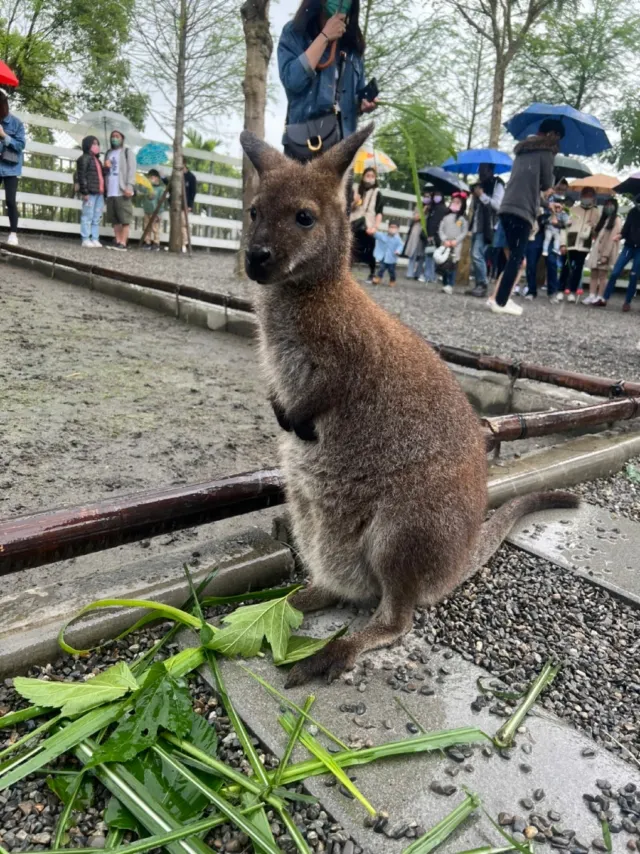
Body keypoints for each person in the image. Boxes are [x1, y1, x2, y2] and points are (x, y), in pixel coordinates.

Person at [278, 0, 376, 161]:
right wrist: (324, 37)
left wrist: (364, 104)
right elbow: (292, 81)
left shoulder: (354, 46)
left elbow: (354, 99)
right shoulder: (295, 32)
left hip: (342, 151)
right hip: (305, 144)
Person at [492, 118, 565, 316]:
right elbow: (545, 185)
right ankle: (501, 301)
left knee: (513, 257)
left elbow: (530, 188)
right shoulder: (547, 151)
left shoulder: (523, 150)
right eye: (559, 138)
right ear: (554, 135)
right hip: (522, 212)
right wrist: (550, 189)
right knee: (516, 258)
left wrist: (547, 204)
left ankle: (499, 298)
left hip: (507, 207)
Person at [594, 195, 640, 310]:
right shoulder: (633, 212)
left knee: (634, 274)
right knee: (615, 272)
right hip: (628, 247)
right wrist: (620, 235)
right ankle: (604, 298)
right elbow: (626, 228)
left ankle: (627, 302)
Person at [468, 164, 505, 298]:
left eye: (483, 170)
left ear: (490, 171)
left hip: (488, 225)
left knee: (477, 254)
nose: (480, 173)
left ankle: (482, 285)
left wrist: (482, 195)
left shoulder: (498, 184)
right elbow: (474, 208)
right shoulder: (479, 185)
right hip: (477, 224)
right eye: (479, 170)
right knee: (474, 254)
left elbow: (498, 205)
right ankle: (478, 284)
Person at [561, 186, 599, 302]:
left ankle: (572, 291)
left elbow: (596, 232)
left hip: (583, 245)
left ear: (593, 198)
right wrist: (563, 244)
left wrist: (593, 227)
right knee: (566, 267)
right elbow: (564, 227)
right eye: (585, 195)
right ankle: (560, 290)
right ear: (581, 196)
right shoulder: (573, 209)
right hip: (570, 243)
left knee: (578, 269)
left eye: (590, 195)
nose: (587, 197)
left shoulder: (596, 212)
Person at [583, 198, 622, 305]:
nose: (608, 207)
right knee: (594, 273)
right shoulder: (604, 219)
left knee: (602, 275)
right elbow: (597, 236)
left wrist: (605, 255)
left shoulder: (616, 220)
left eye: (611, 205)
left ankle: (600, 296)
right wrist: (593, 227)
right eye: (606, 205)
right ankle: (591, 295)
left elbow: (612, 239)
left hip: (606, 251)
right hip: (596, 250)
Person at [0, 90, 26, 246]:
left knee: (10, 200)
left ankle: (13, 234)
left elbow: (21, 145)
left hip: (10, 167)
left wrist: (4, 136)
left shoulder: (16, 123)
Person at [104, 130, 136, 251]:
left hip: (122, 189)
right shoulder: (108, 153)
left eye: (117, 136)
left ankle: (123, 242)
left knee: (125, 218)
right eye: (112, 136)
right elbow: (105, 173)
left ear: (122, 138)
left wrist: (129, 186)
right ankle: (117, 241)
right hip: (110, 190)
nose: (114, 138)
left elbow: (132, 171)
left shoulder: (127, 152)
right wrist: (105, 167)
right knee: (115, 219)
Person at [350, 166, 383, 283]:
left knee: (369, 249)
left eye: (372, 176)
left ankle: (372, 272)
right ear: (363, 177)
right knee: (351, 247)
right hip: (354, 221)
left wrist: (375, 227)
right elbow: (348, 208)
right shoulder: (355, 188)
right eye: (368, 176)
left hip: (368, 223)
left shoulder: (377, 192)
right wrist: (354, 201)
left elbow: (379, 212)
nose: (370, 179)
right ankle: (347, 272)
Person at [76, 135, 106, 248]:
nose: (96, 146)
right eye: (94, 143)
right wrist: (84, 191)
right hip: (90, 192)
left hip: (99, 193)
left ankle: (95, 238)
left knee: (96, 217)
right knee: (87, 216)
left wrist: (106, 168)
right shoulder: (84, 159)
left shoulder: (98, 161)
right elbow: (81, 176)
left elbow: (102, 176)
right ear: (88, 145)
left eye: (97, 144)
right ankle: (85, 238)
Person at [438, 193, 468, 294]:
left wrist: (456, 240)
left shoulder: (462, 219)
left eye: (458, 202)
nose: (455, 204)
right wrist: (444, 239)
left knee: (453, 265)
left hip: (456, 245)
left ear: (462, 204)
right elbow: (440, 229)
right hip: (445, 244)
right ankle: (445, 283)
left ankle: (450, 285)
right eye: (453, 202)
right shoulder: (445, 217)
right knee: (444, 265)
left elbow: (464, 232)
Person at [421, 191, 448, 283]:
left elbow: (434, 223)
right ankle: (431, 275)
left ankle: (429, 276)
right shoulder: (434, 208)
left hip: (434, 235)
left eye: (438, 195)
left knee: (430, 256)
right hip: (434, 235)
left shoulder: (441, 209)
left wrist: (430, 235)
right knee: (432, 256)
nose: (436, 197)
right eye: (435, 195)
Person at [403, 190, 431, 280]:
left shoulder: (432, 209)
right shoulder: (419, 206)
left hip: (426, 232)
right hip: (416, 231)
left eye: (429, 197)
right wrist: (424, 209)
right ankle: (410, 273)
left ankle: (418, 273)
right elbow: (416, 217)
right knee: (413, 252)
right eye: (425, 196)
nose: (427, 198)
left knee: (422, 254)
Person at [141, 169, 166, 251]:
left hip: (156, 212)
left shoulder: (160, 189)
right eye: (149, 177)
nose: (151, 179)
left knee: (155, 228)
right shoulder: (147, 188)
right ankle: (147, 242)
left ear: (157, 178)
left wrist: (158, 213)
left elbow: (161, 202)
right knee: (146, 227)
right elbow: (142, 191)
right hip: (147, 210)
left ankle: (156, 243)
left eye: (153, 177)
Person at [372, 220, 403, 285]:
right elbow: (376, 234)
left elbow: (400, 246)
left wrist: (398, 251)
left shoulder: (398, 239)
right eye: (391, 227)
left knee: (391, 271)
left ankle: (392, 280)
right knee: (381, 268)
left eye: (394, 227)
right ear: (388, 227)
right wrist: (373, 230)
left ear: (397, 229)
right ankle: (378, 278)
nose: (392, 229)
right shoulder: (383, 235)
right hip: (384, 257)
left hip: (392, 258)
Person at [182, 164, 197, 251]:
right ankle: (180, 243)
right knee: (179, 224)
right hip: (177, 204)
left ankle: (184, 243)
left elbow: (193, 192)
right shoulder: (177, 175)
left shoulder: (191, 177)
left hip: (186, 204)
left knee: (183, 224)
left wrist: (190, 205)